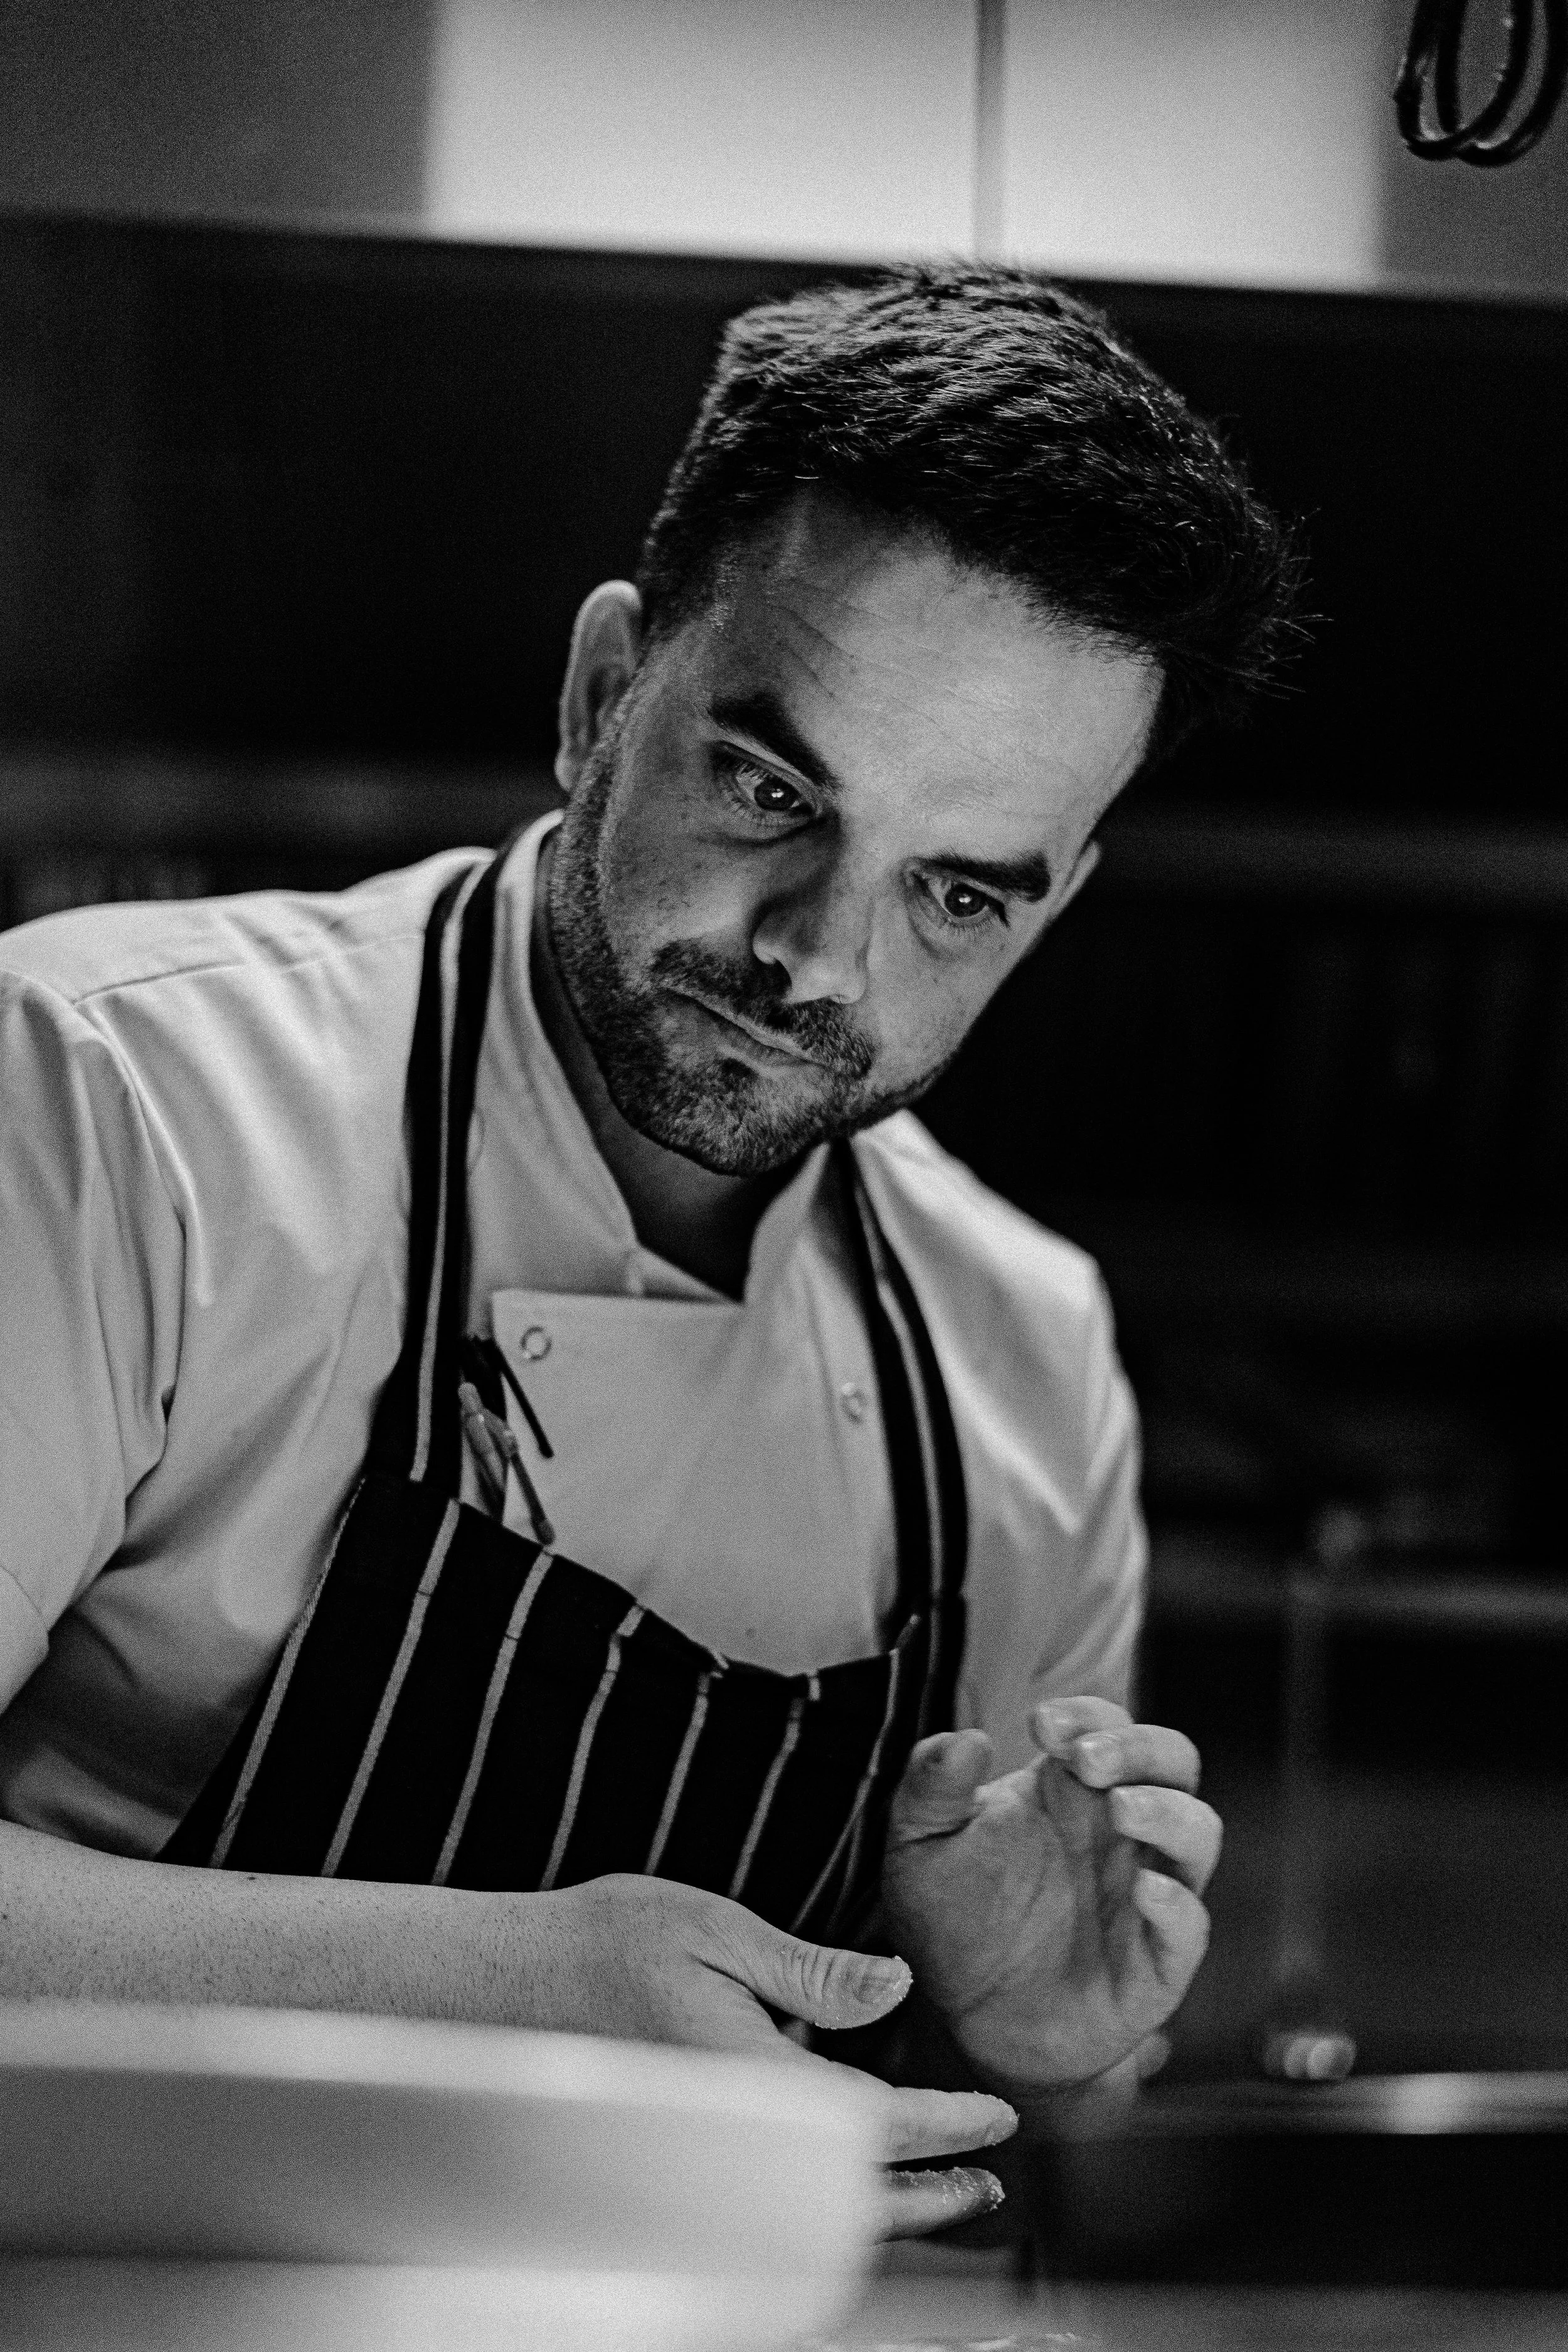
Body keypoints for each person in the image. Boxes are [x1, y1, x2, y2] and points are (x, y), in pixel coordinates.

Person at [0, 266, 1293, 2233]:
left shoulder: (1018, 1367)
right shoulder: (115, 1100)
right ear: (607, 689)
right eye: (770, 788)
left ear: (1058, 901)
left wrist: (1012, 2017)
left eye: (955, 892)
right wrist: (519, 1990)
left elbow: (989, 2159)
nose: (815, 955)